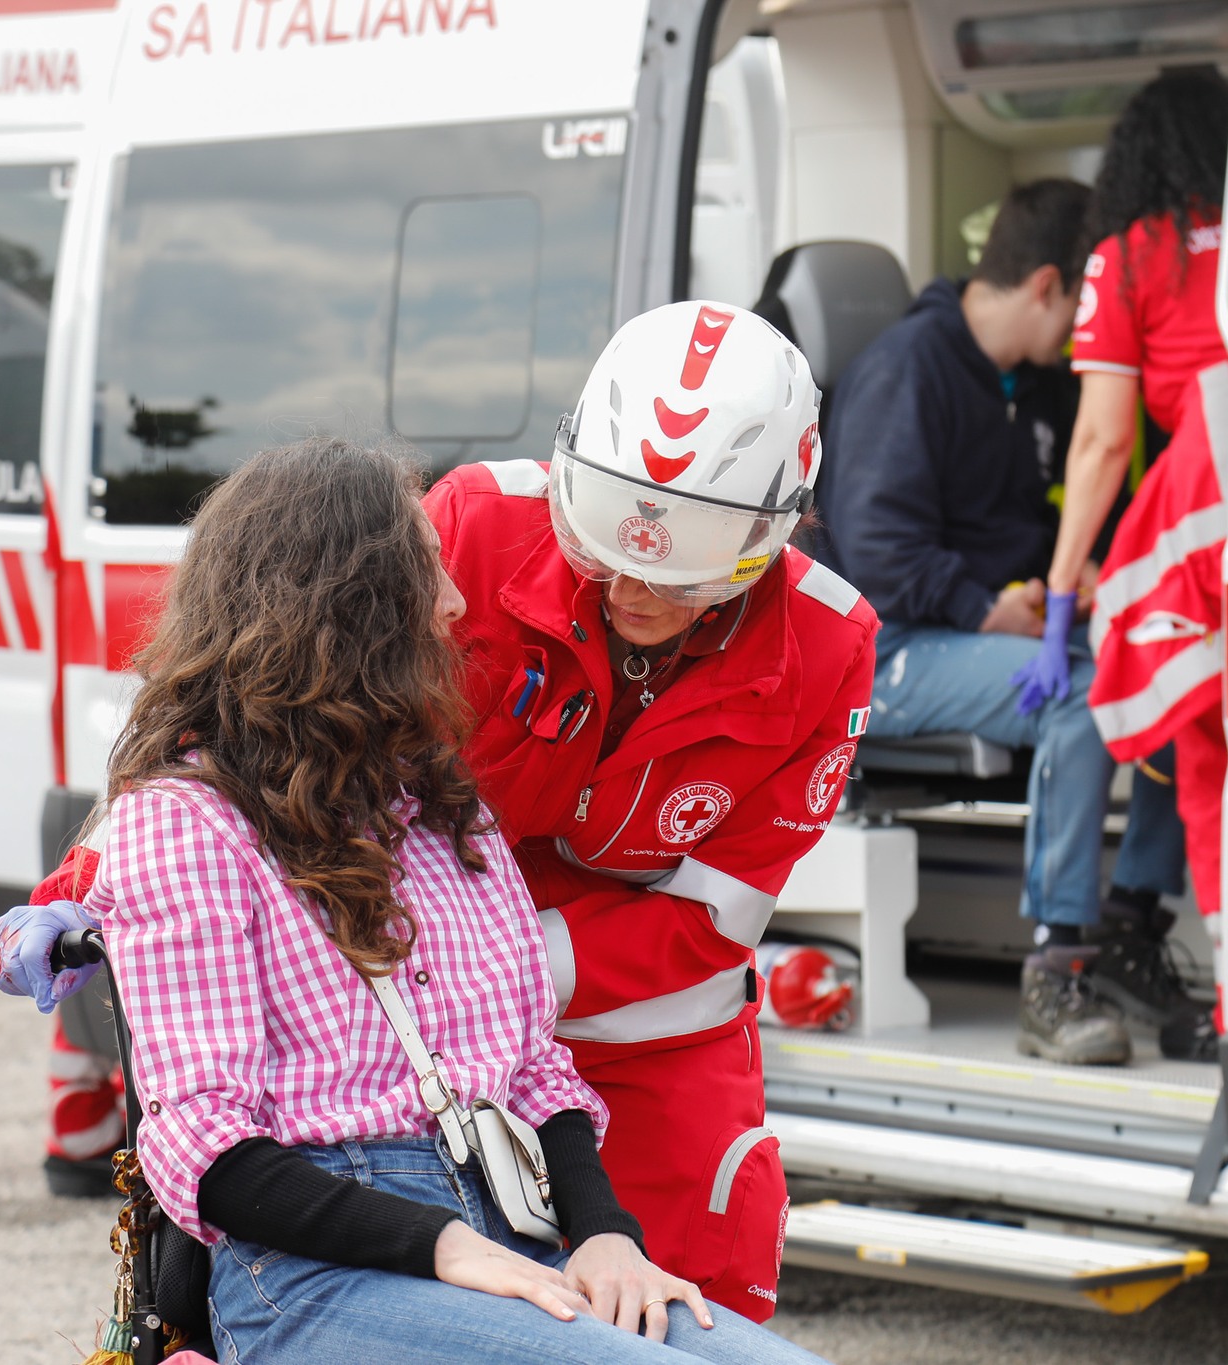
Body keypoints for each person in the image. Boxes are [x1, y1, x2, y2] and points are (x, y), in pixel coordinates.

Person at [0, 299, 878, 1321]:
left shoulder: (826, 645)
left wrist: (480, 971)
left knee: (691, 1313)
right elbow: (249, 718)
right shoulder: (474, 529)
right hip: (402, 1025)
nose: (634, 584)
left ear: (777, 526)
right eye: (610, 549)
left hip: (637, 1036)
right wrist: (83, 887)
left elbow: (712, 920)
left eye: (680, 575)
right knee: (429, 1303)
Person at [81, 436, 828, 1364]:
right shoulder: (187, 822)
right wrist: (439, 1244)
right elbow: (204, 1147)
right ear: (346, 608)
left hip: (505, 1225)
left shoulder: (439, 802)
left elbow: (534, 1074)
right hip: (315, 1275)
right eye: (425, 577)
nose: (457, 602)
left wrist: (605, 1235)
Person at [816, 178, 1147, 1066]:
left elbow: (1050, 520)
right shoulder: (907, 370)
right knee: (1081, 697)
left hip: (993, 627)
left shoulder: (1037, 387)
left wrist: (1074, 583)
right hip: (888, 652)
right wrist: (987, 608)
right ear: (1047, 286)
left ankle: (1138, 927)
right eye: (1090, 303)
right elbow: (879, 556)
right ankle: (1056, 970)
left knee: (1155, 668)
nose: (1093, 330)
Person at [1016, 69, 1228, 1062]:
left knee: (1190, 738)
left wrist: (1062, 600)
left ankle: (1110, 957)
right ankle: (1139, 930)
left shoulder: (1126, 254)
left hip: (1209, 493)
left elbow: (1101, 443)